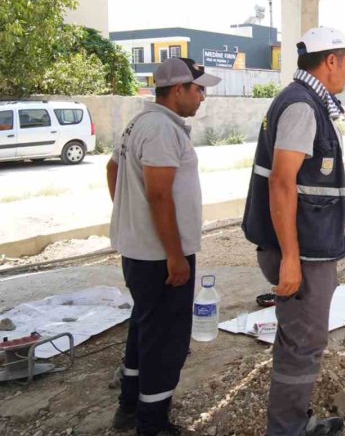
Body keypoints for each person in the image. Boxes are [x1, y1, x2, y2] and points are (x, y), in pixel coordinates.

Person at [242, 27, 345, 436]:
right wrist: (291, 258)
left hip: (307, 248)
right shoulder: (301, 107)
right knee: (304, 345)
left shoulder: (307, 102)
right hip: (302, 253)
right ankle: (288, 429)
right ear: (331, 60)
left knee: (297, 339)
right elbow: (281, 182)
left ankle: (292, 421)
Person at [106, 57, 221, 436]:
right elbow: (158, 194)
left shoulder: (143, 121)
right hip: (159, 255)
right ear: (178, 90)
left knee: (145, 328)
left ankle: (129, 406)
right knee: (166, 341)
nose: (203, 96)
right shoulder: (159, 129)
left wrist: (130, 217)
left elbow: (113, 170)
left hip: (143, 249)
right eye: (198, 88)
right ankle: (152, 424)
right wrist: (174, 254)